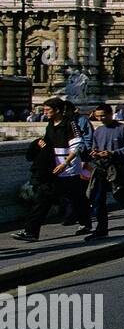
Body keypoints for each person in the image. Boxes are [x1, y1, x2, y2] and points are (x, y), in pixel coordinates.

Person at [12, 98, 91, 242]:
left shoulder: (70, 124)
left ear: (58, 110)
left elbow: (78, 146)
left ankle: (86, 223)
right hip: (53, 169)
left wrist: (65, 164)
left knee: (77, 198)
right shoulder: (50, 124)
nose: (45, 113)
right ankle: (31, 232)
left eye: (48, 110)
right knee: (43, 199)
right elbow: (48, 142)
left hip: (68, 170)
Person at [83, 103, 124, 240]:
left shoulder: (123, 128)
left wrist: (113, 153)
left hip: (117, 168)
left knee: (120, 196)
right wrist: (95, 153)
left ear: (111, 114)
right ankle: (102, 228)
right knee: (98, 199)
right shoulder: (98, 131)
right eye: (98, 116)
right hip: (100, 168)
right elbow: (94, 147)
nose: (101, 119)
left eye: (103, 116)